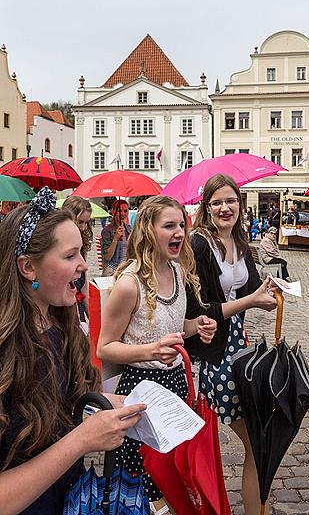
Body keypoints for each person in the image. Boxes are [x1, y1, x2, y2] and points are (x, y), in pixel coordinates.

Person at [0, 187, 144, 514]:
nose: (83, 265)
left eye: (81, 252)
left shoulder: (63, 326)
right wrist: (82, 439)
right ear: (28, 268)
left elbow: (59, 410)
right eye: (69, 256)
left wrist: (100, 404)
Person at [97, 195, 217, 514]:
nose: (179, 232)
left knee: (174, 476)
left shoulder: (178, 272)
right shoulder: (129, 284)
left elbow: (173, 329)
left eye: (181, 225)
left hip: (175, 384)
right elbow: (104, 347)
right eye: (169, 226)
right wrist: (151, 350)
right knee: (145, 483)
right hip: (142, 392)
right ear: (148, 231)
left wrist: (197, 325)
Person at [185, 174, 278, 515]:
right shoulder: (198, 245)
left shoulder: (241, 243)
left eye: (231, 201)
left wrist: (268, 291)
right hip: (215, 353)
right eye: (217, 202)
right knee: (256, 438)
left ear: (240, 203)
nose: (225, 208)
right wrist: (251, 301)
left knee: (259, 439)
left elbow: (252, 288)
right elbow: (197, 311)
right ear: (206, 208)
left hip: (239, 347)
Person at [62, 195, 93, 328]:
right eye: (80, 222)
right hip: (62, 307)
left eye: (86, 223)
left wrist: (93, 318)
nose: (84, 227)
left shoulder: (82, 244)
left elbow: (84, 286)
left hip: (78, 302)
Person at [100, 199, 131, 276]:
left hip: (126, 270)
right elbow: (107, 257)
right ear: (114, 212)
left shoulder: (129, 229)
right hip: (111, 270)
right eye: (119, 211)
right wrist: (116, 238)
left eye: (125, 211)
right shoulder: (107, 230)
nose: (122, 214)